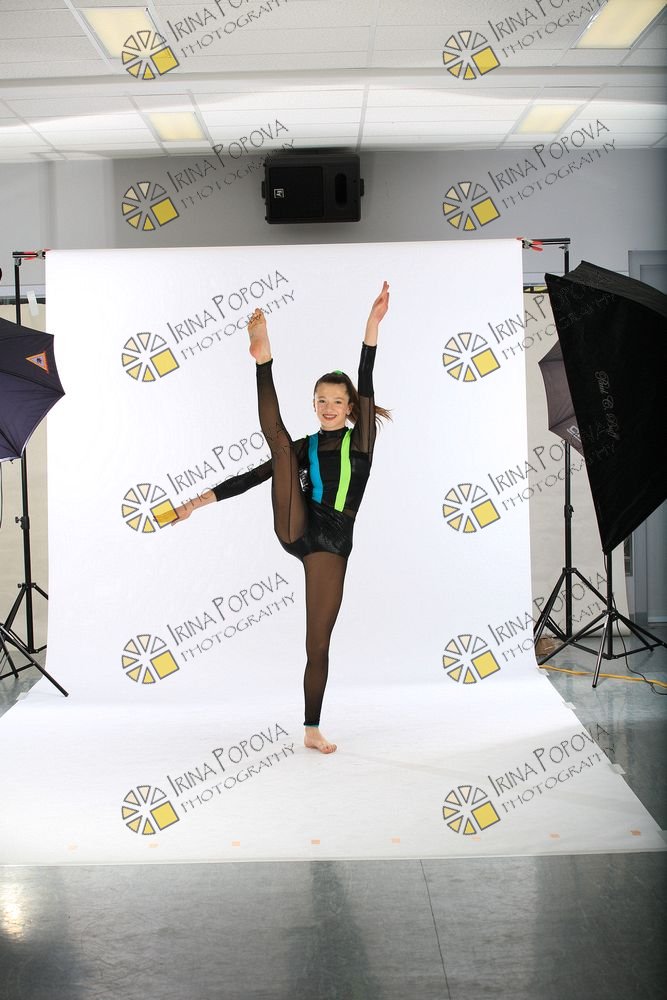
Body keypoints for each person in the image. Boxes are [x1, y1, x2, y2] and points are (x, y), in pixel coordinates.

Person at [172, 282, 391, 754]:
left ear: (350, 407)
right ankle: (263, 359)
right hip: (296, 525)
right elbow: (253, 477)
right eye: (321, 400)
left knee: (317, 644)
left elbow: (367, 378)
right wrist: (195, 503)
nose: (328, 408)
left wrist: (372, 326)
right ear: (313, 404)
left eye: (337, 402)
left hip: (331, 543)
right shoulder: (303, 448)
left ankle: (311, 728)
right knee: (281, 448)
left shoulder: (361, 442)